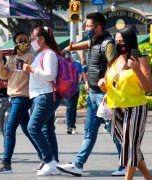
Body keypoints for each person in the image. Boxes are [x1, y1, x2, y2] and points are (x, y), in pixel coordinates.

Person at [57, 12, 124, 176]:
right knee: (90, 131)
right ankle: (78, 165)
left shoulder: (108, 44)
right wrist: (69, 47)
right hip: (94, 94)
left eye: (88, 26)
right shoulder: (95, 41)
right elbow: (86, 44)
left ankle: (126, 164)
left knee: (114, 131)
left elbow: (115, 68)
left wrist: (108, 90)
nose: (86, 29)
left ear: (98, 27)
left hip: (104, 95)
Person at [98, 28, 152, 180]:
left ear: (129, 42)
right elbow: (108, 85)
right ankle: (149, 178)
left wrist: (137, 70)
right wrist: (103, 85)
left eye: (121, 41)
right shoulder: (113, 61)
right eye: (116, 41)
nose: (118, 44)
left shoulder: (140, 60)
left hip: (135, 107)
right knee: (131, 146)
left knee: (129, 147)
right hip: (116, 108)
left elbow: (148, 88)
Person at [0, 32, 42, 174]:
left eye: (26, 40)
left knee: (9, 128)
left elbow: (35, 74)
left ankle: (6, 163)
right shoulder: (12, 58)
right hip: (13, 96)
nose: (24, 43)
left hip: (23, 97)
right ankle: (45, 156)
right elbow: (4, 75)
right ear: (15, 43)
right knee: (27, 128)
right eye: (20, 41)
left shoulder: (30, 57)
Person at [22, 26, 62, 176]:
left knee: (33, 128)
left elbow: (50, 75)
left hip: (46, 96)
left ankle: (49, 160)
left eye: (33, 39)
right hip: (42, 95)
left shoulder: (49, 54)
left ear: (41, 39)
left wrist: (31, 70)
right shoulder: (42, 54)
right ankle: (54, 162)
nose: (31, 42)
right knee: (47, 130)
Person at [64, 52, 88, 135]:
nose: (71, 56)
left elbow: (83, 74)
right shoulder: (64, 63)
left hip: (76, 89)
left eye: (72, 54)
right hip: (67, 89)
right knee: (69, 107)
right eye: (70, 54)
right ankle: (70, 126)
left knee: (73, 108)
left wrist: (86, 83)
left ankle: (72, 126)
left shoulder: (77, 64)